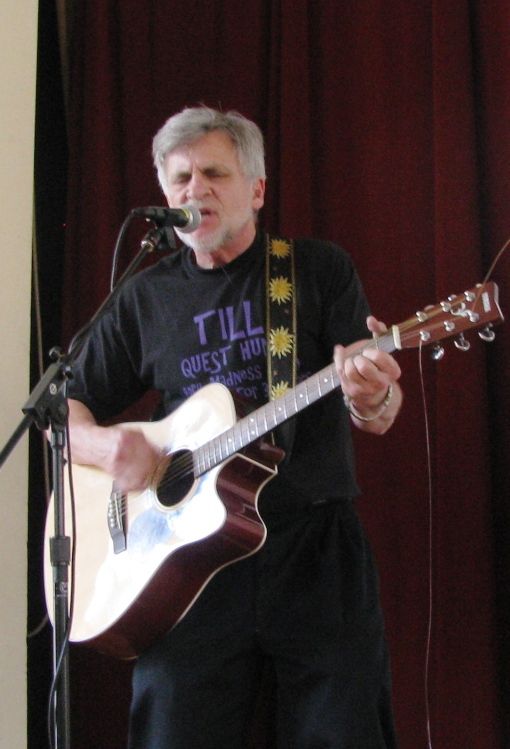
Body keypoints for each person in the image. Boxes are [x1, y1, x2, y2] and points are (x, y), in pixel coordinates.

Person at [66, 105, 403, 748]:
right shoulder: (144, 296)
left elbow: (380, 415)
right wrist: (111, 446)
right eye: (180, 179)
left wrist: (371, 394)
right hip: (190, 563)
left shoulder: (315, 270)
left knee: (345, 733)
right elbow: (65, 413)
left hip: (311, 547)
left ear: (256, 190)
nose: (195, 190)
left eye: (214, 173)